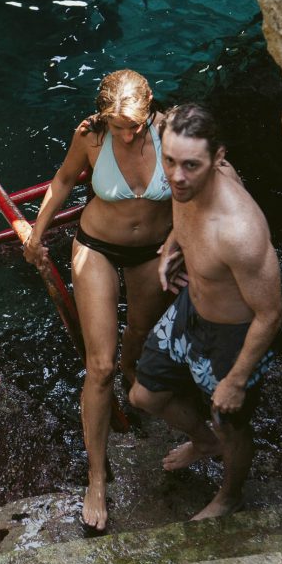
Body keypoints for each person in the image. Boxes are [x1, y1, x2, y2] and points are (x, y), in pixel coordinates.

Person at [23, 69, 172, 532]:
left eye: (136, 125)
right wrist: (35, 234)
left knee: (140, 339)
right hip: (98, 247)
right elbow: (64, 181)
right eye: (120, 125)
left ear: (151, 108)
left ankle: (132, 379)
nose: (128, 134)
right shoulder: (91, 136)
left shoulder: (172, 131)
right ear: (105, 114)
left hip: (154, 251)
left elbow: (202, 183)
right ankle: (96, 477)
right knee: (100, 365)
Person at [129, 103, 282, 520]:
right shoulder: (183, 181)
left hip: (231, 336)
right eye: (170, 160)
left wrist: (235, 380)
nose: (176, 177)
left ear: (219, 159)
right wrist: (171, 249)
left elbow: (270, 314)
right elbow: (183, 212)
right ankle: (203, 442)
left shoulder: (240, 232)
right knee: (144, 395)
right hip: (189, 308)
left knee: (228, 422)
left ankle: (230, 495)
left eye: (191, 165)